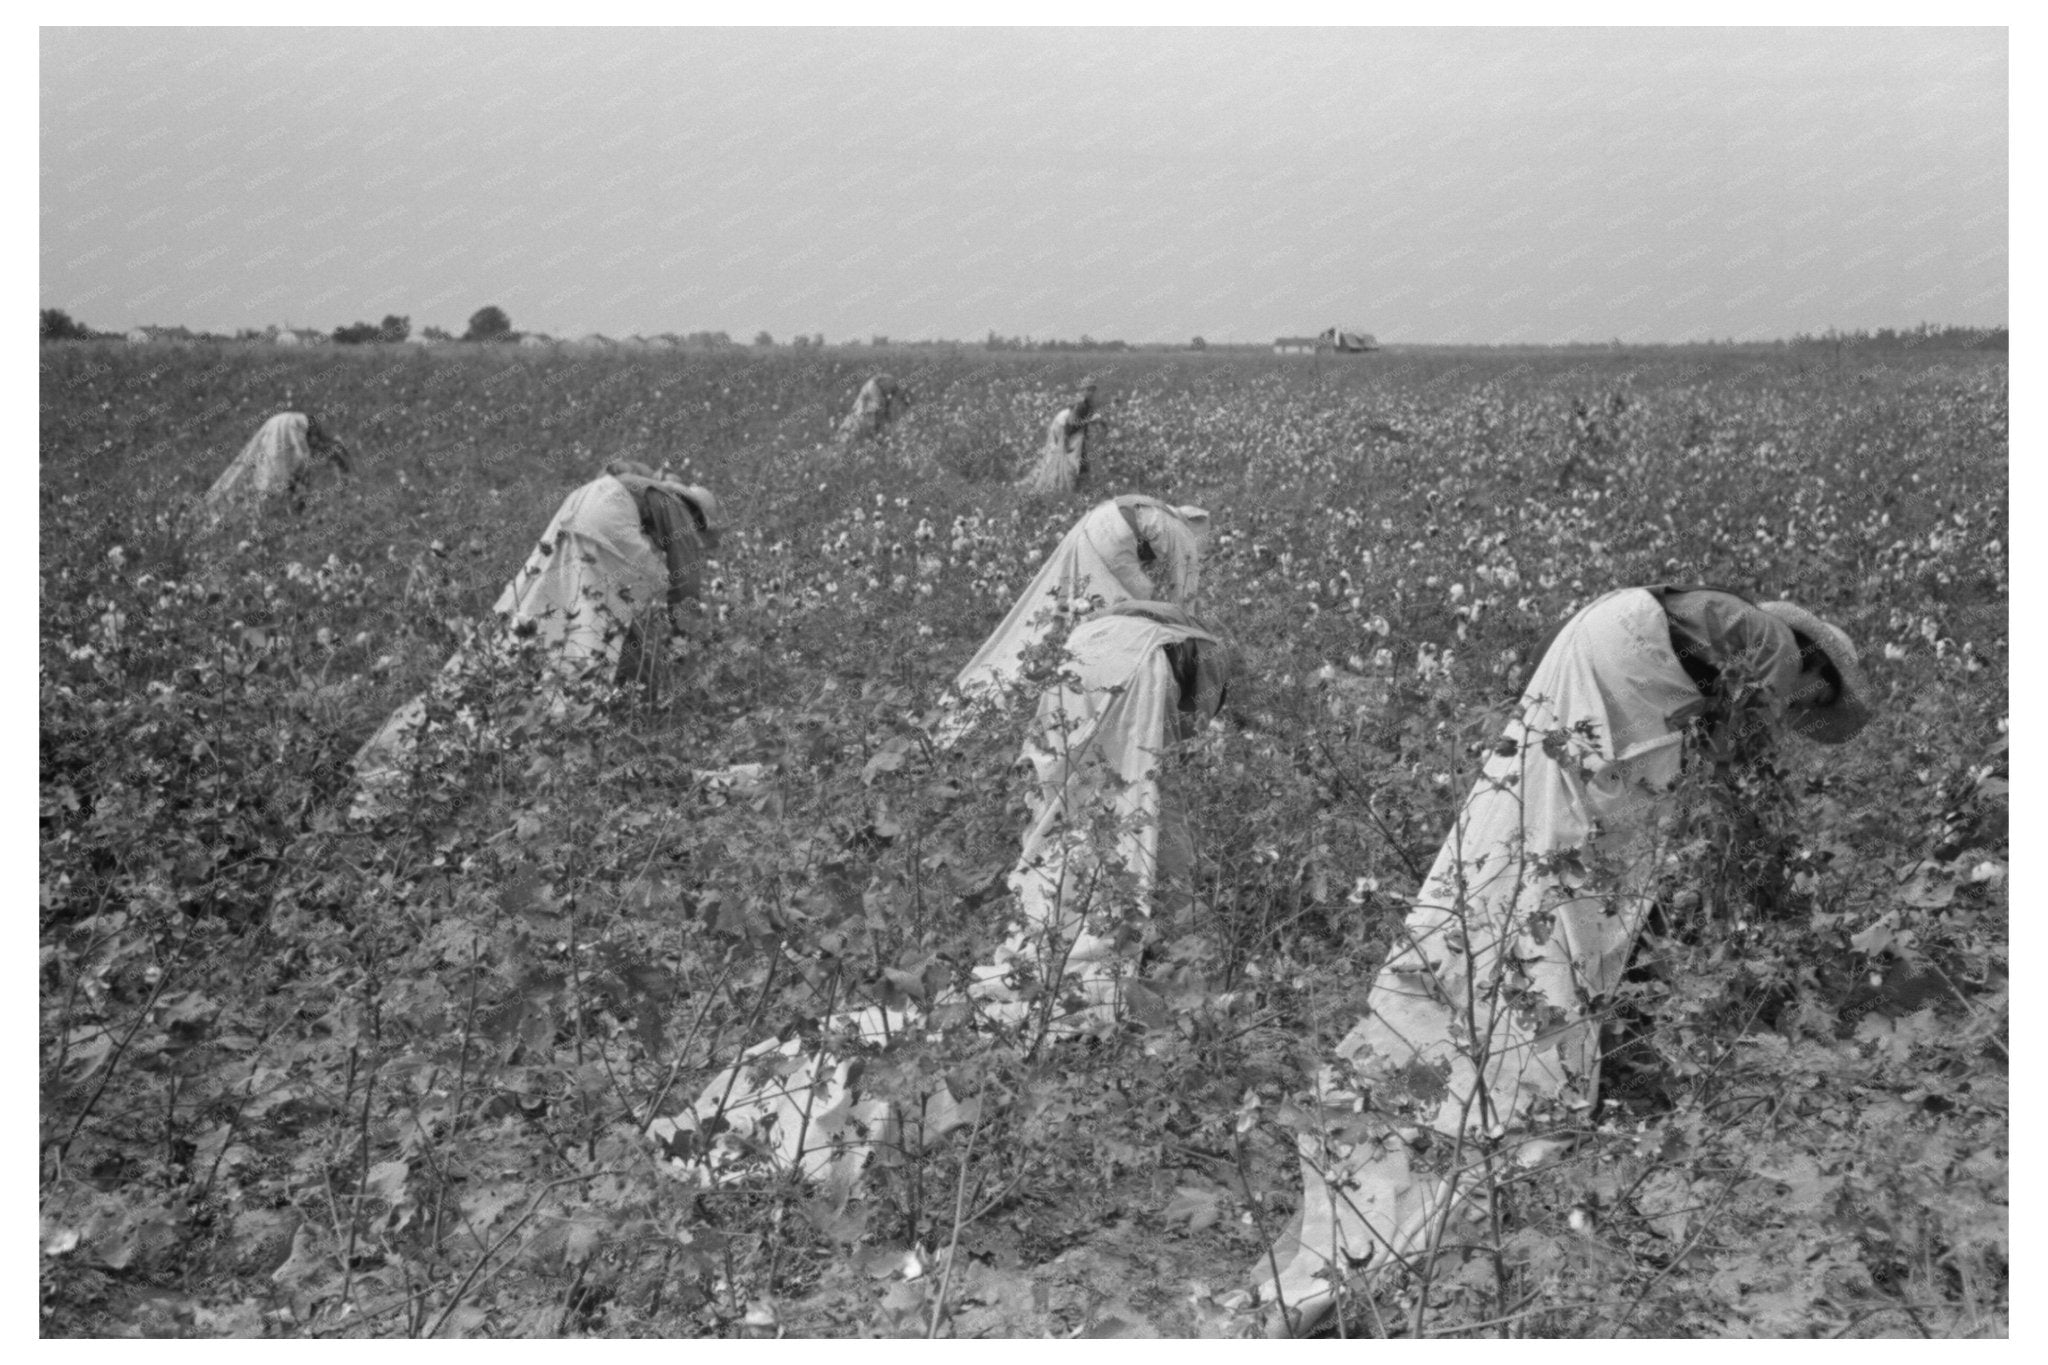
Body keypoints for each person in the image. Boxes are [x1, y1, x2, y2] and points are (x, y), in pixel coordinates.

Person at [1236, 586, 1871, 1336]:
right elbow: (1743, 772)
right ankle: (1535, 1036)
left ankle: (1519, 1014)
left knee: (1547, 846)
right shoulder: (1768, 641)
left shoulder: (1712, 633)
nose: (1799, 704)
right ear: (1815, 668)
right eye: (1812, 694)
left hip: (1600, 653)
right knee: (1582, 886)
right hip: (1621, 665)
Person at [660, 601, 1237, 1187]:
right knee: (1066, 954)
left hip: (1100, 678)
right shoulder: (1144, 694)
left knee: (1076, 837)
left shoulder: (1106, 671)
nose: (1188, 726)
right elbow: (1151, 844)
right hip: (1123, 692)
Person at [349, 460, 722, 819]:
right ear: (699, 517)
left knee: (559, 604)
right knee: (591, 630)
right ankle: (574, 705)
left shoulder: (644, 493)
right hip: (604, 517)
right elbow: (685, 582)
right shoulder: (678, 510)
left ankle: (558, 680)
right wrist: (683, 638)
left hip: (581, 506)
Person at [944, 494, 1210, 732]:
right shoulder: (1182, 534)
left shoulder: (1156, 512)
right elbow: (1185, 592)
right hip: (1111, 537)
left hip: (1092, 526)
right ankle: (1088, 693)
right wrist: (1188, 637)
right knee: (1117, 623)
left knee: (1071, 612)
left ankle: (1032, 674)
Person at [198, 411, 352, 527]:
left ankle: (220, 514)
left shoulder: (313, 439)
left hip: (283, 423)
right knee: (280, 477)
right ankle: (286, 514)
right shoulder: (311, 441)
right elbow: (304, 466)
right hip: (288, 425)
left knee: (270, 474)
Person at [1022, 376, 1104, 494]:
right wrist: (1066, 439)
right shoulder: (1080, 404)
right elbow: (1072, 423)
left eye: (1092, 390)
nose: (1091, 392)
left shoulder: (1088, 404)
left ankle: (1077, 484)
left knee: (1075, 457)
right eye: (1088, 389)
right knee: (1060, 457)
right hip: (1063, 426)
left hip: (1070, 429)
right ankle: (1059, 485)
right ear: (1083, 391)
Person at [836, 372, 909, 443]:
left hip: (869, 386)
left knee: (861, 411)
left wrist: (887, 418)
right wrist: (888, 419)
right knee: (875, 409)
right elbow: (886, 405)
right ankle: (871, 433)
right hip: (873, 385)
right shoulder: (897, 388)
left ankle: (849, 428)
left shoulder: (892, 388)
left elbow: (887, 405)